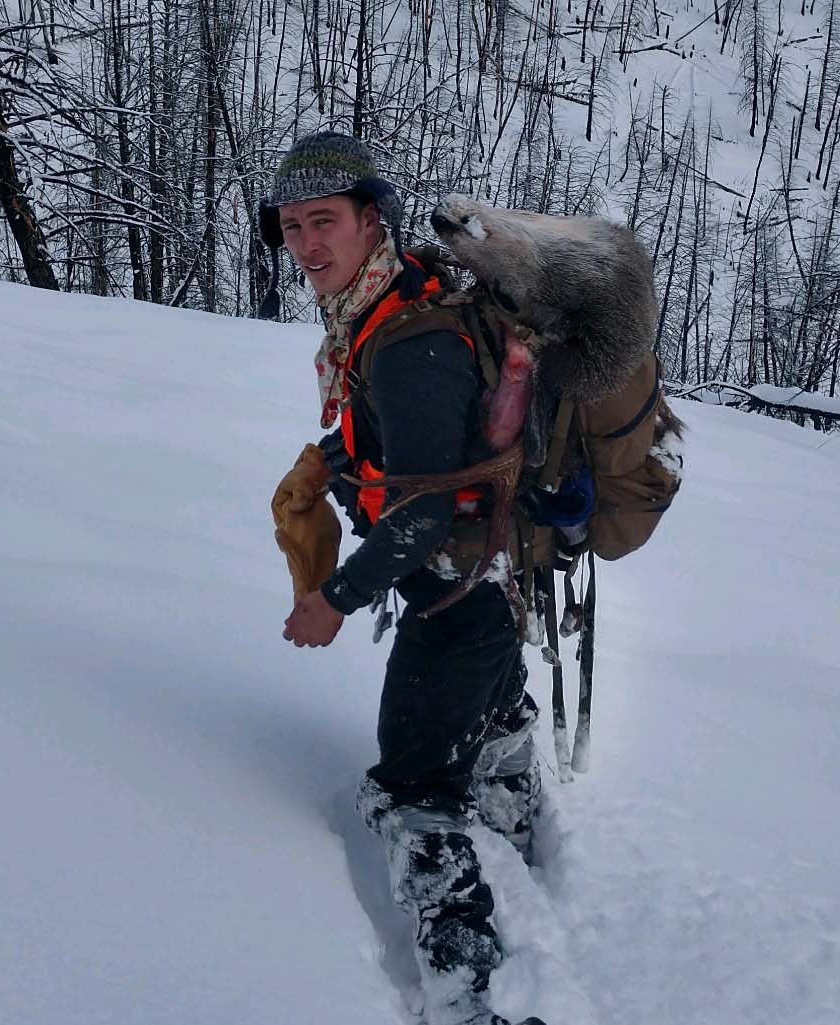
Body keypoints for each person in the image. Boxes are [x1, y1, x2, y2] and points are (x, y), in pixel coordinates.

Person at [262, 132, 543, 1025]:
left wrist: (332, 598)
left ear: (368, 218)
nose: (307, 244)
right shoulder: (395, 299)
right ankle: (518, 817)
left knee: (412, 798)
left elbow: (424, 509)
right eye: (292, 225)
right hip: (491, 582)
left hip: (454, 597)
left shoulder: (406, 340)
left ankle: (469, 1004)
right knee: (498, 709)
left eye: (325, 222)